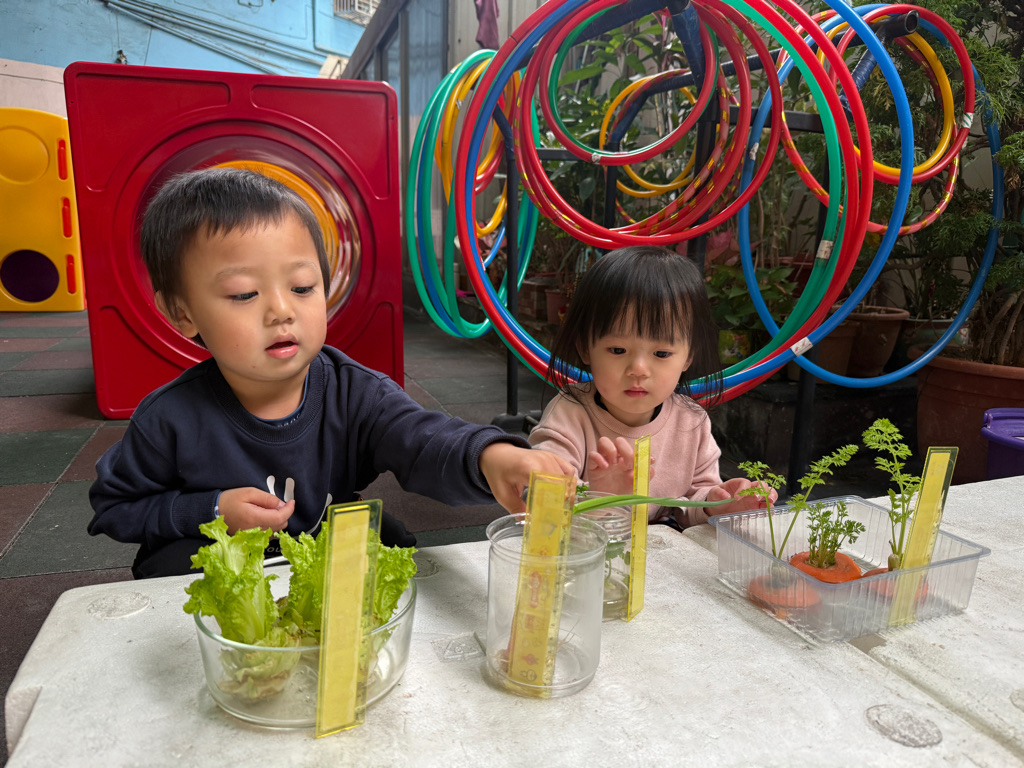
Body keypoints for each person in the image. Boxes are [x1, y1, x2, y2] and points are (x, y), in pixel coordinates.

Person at [88, 167, 572, 578]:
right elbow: (115, 508)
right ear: (182, 313)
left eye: (302, 287)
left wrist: (490, 457)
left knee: (390, 540)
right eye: (243, 294)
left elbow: (422, 439)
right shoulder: (168, 419)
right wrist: (211, 511)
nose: (281, 311)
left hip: (321, 567)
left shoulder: (355, 393)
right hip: (223, 583)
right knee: (168, 564)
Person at [528, 245, 775, 528]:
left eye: (661, 353)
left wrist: (718, 504)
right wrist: (600, 498)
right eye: (618, 350)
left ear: (688, 356)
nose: (638, 369)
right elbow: (544, 500)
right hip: (588, 545)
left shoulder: (690, 420)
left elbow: (693, 499)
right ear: (585, 348)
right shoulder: (569, 414)